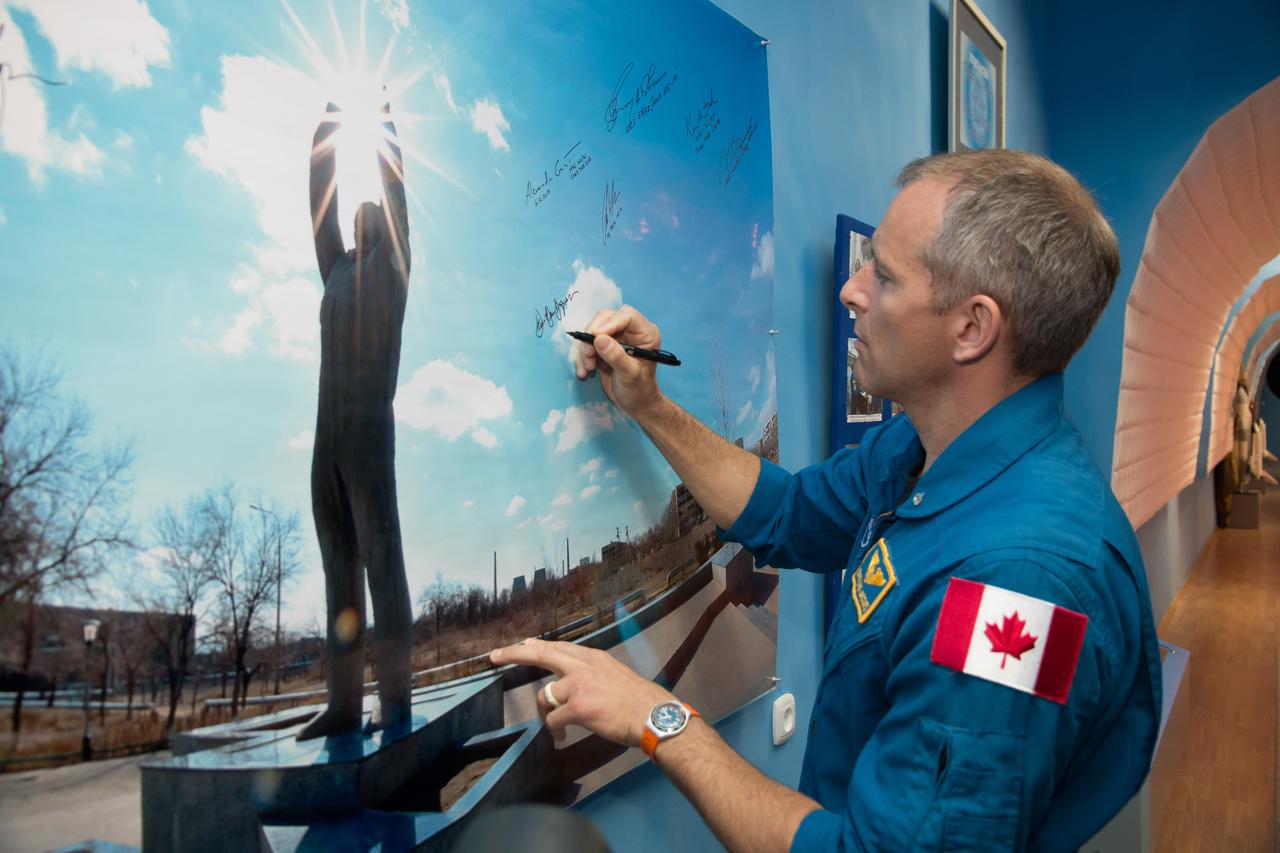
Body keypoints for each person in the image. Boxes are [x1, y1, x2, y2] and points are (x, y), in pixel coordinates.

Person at [491, 149, 1162, 851]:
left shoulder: (1018, 582)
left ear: (972, 327)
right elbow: (787, 513)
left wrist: (658, 718)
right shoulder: (921, 449)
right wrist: (649, 405)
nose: (851, 288)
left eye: (886, 274)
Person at [299, 101, 413, 739]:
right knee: (338, 566)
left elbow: (398, 200)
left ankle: (393, 699)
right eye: (358, 211)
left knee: (381, 560)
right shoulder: (337, 270)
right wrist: (326, 139)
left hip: (369, 435)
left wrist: (386, 134)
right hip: (325, 441)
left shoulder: (392, 273)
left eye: (374, 213)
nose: (362, 213)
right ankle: (344, 704)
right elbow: (321, 205)